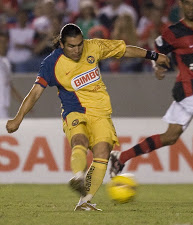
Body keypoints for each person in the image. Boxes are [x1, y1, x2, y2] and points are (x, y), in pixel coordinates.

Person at [5, 23, 170, 211]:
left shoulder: (94, 46)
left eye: (79, 45)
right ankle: (78, 176)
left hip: (100, 112)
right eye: (71, 46)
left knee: (103, 152)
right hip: (74, 111)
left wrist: (155, 56)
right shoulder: (51, 63)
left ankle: (84, 202)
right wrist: (18, 118)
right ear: (61, 44)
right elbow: (35, 93)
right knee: (80, 139)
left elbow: (124, 50)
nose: (76, 50)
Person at [109, 0, 193, 195]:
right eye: (186, 4)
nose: (190, 7)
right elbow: (159, 47)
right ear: (181, 5)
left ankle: (121, 157)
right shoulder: (174, 31)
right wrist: (158, 66)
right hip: (189, 89)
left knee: (170, 137)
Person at [0, 31, 22, 119]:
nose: (3, 45)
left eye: (5, 42)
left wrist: (23, 102)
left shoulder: (6, 63)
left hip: (3, 105)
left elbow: (9, 85)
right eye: (1, 42)